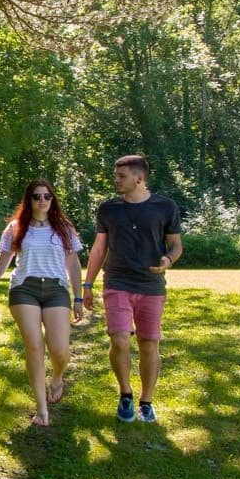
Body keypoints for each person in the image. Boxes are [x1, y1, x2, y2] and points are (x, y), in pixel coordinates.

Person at [0, 179, 88, 427]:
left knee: (60, 350)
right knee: (34, 346)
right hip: (24, 288)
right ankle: (41, 408)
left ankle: (56, 378)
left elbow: (73, 264)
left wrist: (78, 297)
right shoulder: (16, 227)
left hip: (56, 290)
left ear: (52, 199)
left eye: (46, 196)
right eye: (36, 196)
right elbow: (1, 263)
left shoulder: (64, 227)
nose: (42, 201)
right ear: (28, 200)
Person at [81, 155, 183, 423]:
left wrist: (168, 260)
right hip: (117, 282)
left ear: (140, 178)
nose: (116, 180)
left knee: (149, 343)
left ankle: (146, 401)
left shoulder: (165, 207)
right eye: (116, 175)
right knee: (120, 339)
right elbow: (99, 248)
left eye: (121, 176)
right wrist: (87, 284)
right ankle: (125, 393)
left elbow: (176, 245)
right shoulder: (108, 209)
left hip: (151, 285)